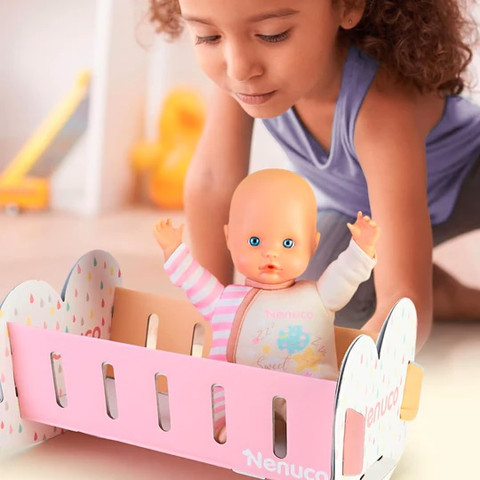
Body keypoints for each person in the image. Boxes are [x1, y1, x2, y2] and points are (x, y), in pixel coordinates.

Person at [148, 0, 480, 349]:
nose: (239, 68)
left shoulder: (380, 110)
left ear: (348, 5)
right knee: (304, 294)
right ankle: (454, 296)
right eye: (209, 36)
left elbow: (405, 303)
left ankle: (422, 281)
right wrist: (214, 324)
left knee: (374, 304)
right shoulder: (243, 77)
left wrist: (363, 367)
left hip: (468, 176)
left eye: (272, 35)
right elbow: (213, 180)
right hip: (366, 211)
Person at [154, 168, 379, 442]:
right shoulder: (225, 301)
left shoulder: (319, 295)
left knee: (323, 412)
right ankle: (234, 429)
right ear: (229, 237)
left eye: (288, 243)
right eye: (254, 241)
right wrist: (174, 250)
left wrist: (361, 250)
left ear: (313, 245)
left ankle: (325, 434)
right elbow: (193, 280)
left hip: (307, 389)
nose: (271, 253)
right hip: (242, 389)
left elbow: (346, 274)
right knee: (217, 397)